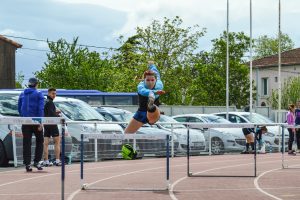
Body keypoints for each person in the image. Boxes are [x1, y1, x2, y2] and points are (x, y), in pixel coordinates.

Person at [124, 61, 165, 134]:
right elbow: (143, 91)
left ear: (155, 80)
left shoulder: (159, 84)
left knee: (152, 111)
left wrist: (151, 64)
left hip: (153, 113)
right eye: (148, 80)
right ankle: (131, 145)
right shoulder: (141, 86)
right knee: (126, 134)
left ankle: (150, 105)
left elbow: (155, 71)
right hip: (141, 113)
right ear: (144, 80)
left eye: (152, 80)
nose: (150, 82)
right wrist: (154, 92)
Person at [18, 77, 44, 172]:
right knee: (40, 140)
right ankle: (37, 161)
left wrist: (23, 116)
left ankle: (27, 164)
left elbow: (19, 108)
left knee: (26, 143)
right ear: (36, 84)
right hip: (36, 121)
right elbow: (41, 109)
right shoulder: (39, 93)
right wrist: (40, 122)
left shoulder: (22, 94)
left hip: (25, 121)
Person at [43, 88, 62, 166]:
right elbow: (52, 114)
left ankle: (46, 161)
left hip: (46, 124)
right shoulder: (50, 102)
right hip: (52, 123)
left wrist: (55, 112)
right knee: (57, 142)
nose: (54, 95)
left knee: (46, 143)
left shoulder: (45, 101)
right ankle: (57, 160)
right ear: (48, 93)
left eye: (55, 94)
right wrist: (58, 114)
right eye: (53, 93)